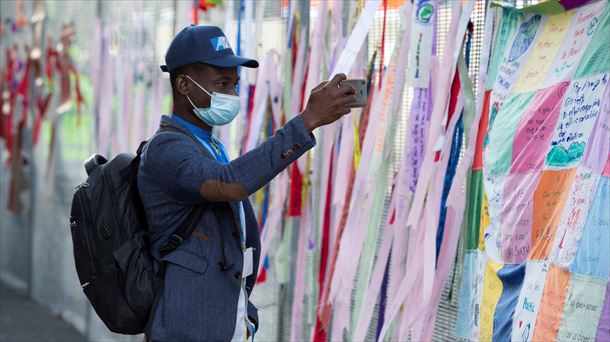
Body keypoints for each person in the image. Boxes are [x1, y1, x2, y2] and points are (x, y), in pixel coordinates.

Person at [137, 25, 356, 341]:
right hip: (188, 331)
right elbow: (232, 183)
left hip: (227, 324)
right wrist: (308, 120)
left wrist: (244, 313)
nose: (233, 95)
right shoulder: (166, 149)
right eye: (223, 84)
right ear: (184, 84)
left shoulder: (207, 145)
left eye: (235, 85)